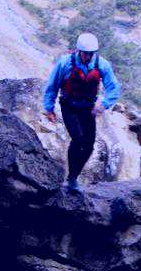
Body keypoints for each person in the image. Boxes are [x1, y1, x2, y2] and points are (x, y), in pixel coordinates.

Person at [42, 32, 122, 190]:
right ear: (79, 51)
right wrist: (49, 108)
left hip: (88, 108)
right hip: (69, 106)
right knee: (78, 140)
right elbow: (52, 86)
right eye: (85, 54)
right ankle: (71, 179)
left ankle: (73, 178)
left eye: (91, 54)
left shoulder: (102, 65)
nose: (88, 57)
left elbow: (114, 88)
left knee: (89, 145)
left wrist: (104, 104)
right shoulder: (65, 63)